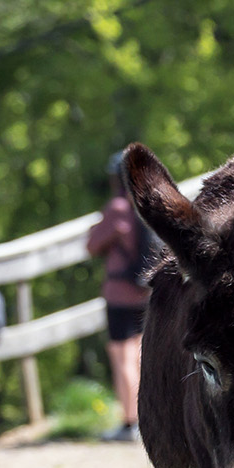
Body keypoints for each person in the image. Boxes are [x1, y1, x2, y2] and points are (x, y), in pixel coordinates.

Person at [84, 151, 156, 441]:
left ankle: (129, 422)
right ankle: (145, 418)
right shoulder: (146, 206)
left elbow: (92, 244)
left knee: (121, 357)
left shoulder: (116, 208)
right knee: (138, 356)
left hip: (119, 294)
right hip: (144, 293)